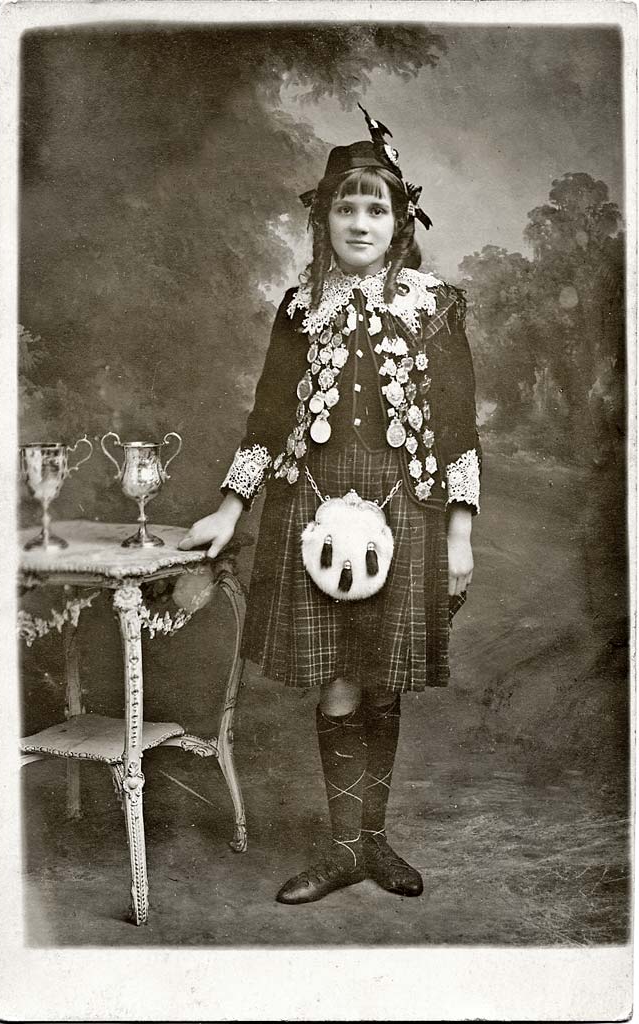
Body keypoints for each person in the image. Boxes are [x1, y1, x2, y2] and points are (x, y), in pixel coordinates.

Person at [179, 106, 481, 905]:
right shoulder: (297, 306)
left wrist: (458, 534)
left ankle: (373, 843)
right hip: (312, 514)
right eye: (344, 206)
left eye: (375, 207)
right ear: (323, 218)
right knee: (340, 682)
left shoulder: (437, 306)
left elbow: (457, 432)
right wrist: (230, 508)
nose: (359, 221)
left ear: (400, 221)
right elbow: (269, 416)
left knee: (383, 681)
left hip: (405, 515)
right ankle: (344, 847)